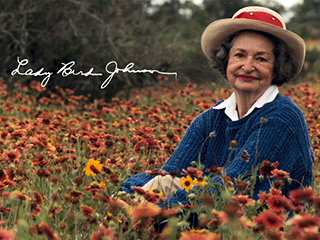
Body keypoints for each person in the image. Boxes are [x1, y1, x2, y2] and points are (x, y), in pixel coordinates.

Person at [119, 6, 314, 208]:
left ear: (277, 67)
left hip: (269, 228)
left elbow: (232, 188)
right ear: (226, 59)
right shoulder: (211, 119)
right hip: (210, 216)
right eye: (239, 55)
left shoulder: (281, 117)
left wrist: (154, 212)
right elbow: (171, 172)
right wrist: (124, 193)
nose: (247, 67)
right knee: (163, 183)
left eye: (261, 58)